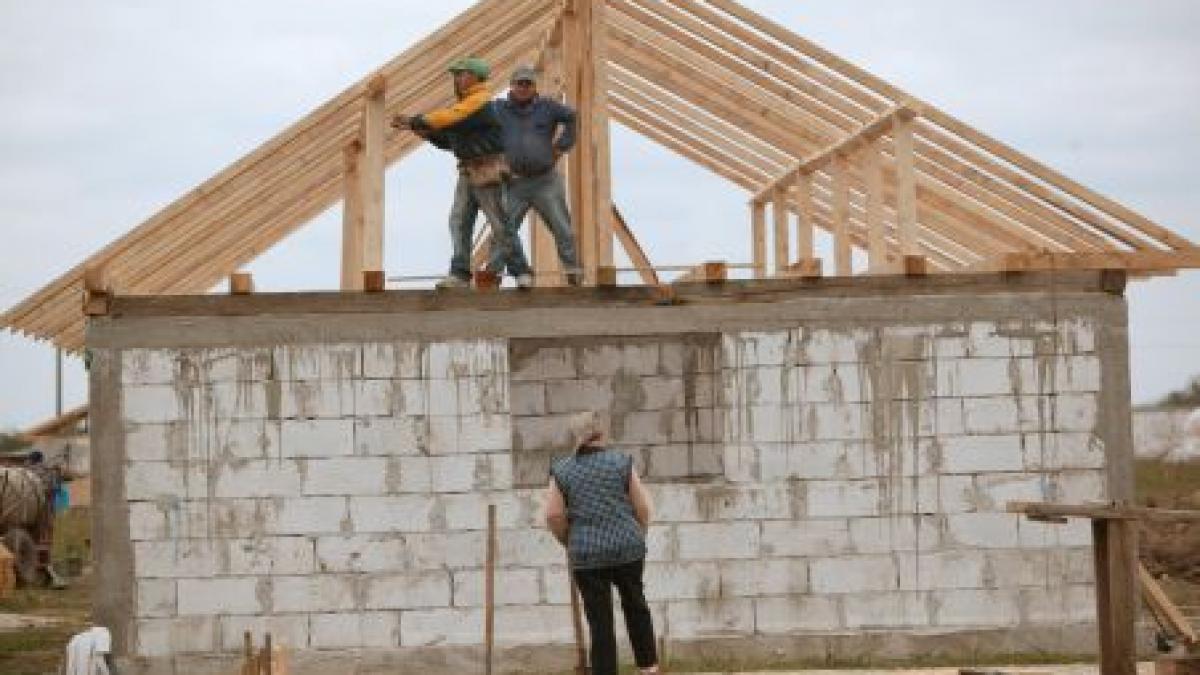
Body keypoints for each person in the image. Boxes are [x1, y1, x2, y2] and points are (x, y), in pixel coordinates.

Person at [392, 57, 528, 289]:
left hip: (487, 169)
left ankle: (521, 271)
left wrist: (417, 120)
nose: (457, 79)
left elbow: (451, 118)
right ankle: (460, 274)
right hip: (468, 170)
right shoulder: (465, 107)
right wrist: (426, 132)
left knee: (499, 223)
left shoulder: (479, 101)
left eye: (461, 74)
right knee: (459, 220)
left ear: (475, 77)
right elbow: (451, 140)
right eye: (456, 75)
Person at [544, 412, 660, 675]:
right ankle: (649, 669)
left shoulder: (562, 470)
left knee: (600, 621)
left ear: (575, 437)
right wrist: (637, 534)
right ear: (601, 434)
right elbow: (643, 507)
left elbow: (553, 515)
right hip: (627, 548)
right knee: (636, 606)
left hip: (587, 555)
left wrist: (569, 541)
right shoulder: (621, 462)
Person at [493, 65, 581, 286]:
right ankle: (493, 274)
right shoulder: (498, 109)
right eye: (519, 84)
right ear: (511, 86)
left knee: (561, 227)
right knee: (503, 230)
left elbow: (572, 117)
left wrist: (561, 147)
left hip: (545, 180)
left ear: (534, 87)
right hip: (514, 182)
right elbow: (477, 122)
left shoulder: (548, 107)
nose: (523, 88)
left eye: (528, 84)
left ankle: (573, 271)